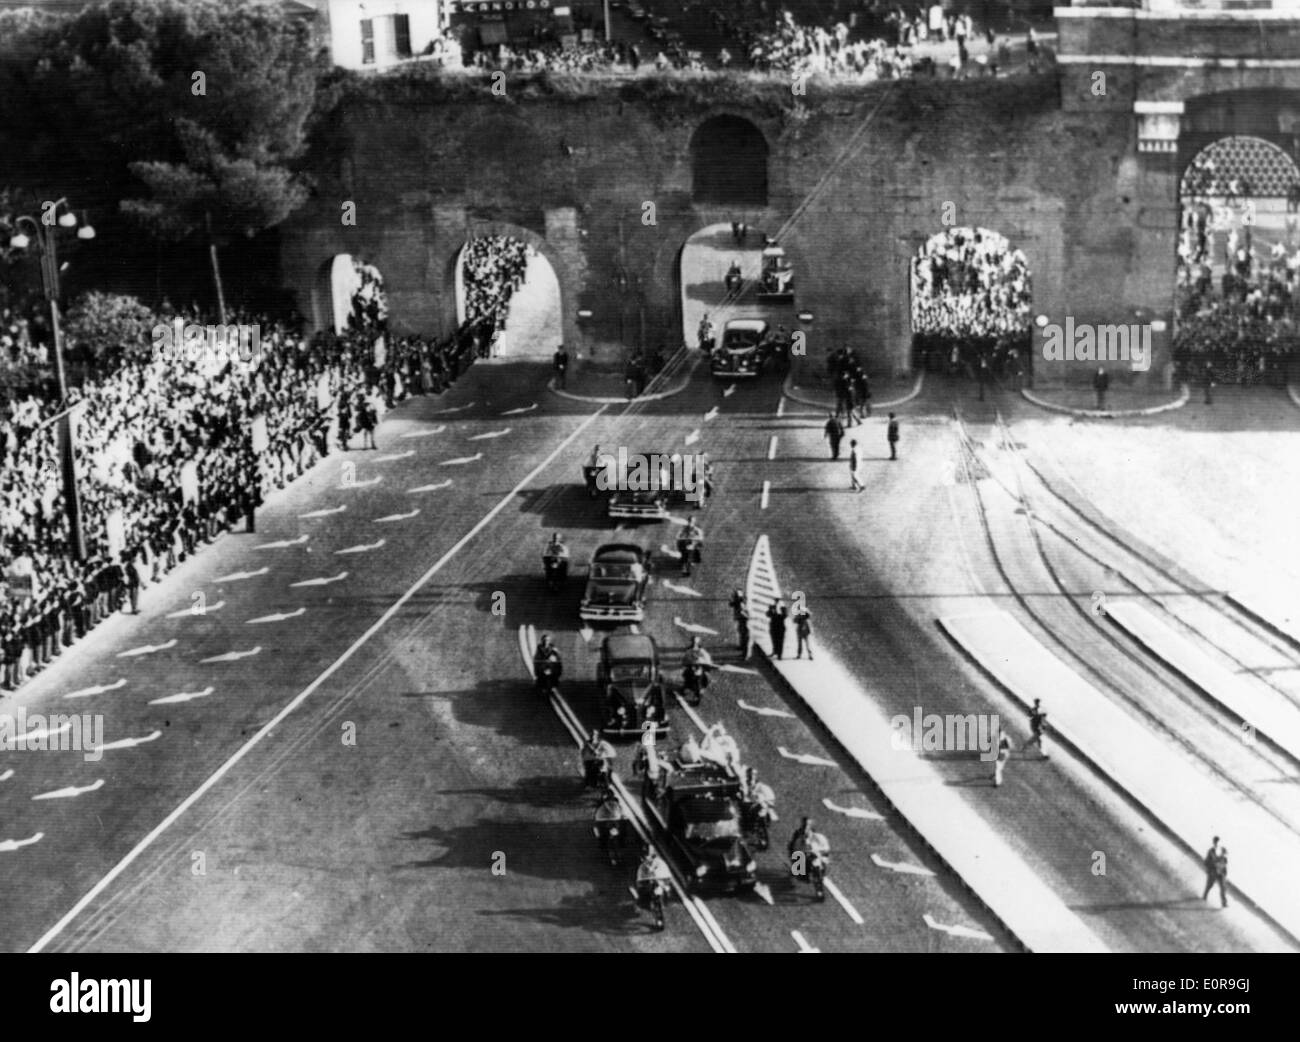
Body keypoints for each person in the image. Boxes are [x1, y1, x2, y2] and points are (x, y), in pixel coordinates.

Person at [1202, 836, 1227, 906]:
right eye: (1215, 842)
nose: (1217, 844)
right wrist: (1211, 867)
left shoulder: (1223, 850)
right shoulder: (1211, 851)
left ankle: (1224, 903)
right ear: (1214, 843)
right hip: (1213, 872)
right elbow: (1206, 862)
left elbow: (1225, 861)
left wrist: (1224, 870)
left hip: (1221, 872)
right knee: (1209, 885)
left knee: (1223, 887)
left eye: (1218, 842)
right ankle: (1204, 896)